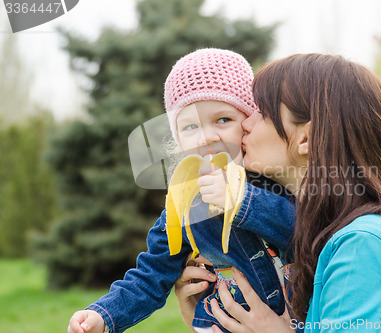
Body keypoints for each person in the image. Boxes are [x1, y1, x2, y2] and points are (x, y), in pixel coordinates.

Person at [176, 53, 381, 332]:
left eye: (261, 111)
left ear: (306, 140)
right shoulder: (339, 233)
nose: (245, 123)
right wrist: (208, 319)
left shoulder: (367, 243)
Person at [67, 48, 297, 333]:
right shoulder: (185, 203)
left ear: (249, 123)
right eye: (190, 126)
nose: (207, 137)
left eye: (223, 120)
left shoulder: (278, 179)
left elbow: (304, 233)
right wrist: (103, 315)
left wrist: (242, 200)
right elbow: (151, 273)